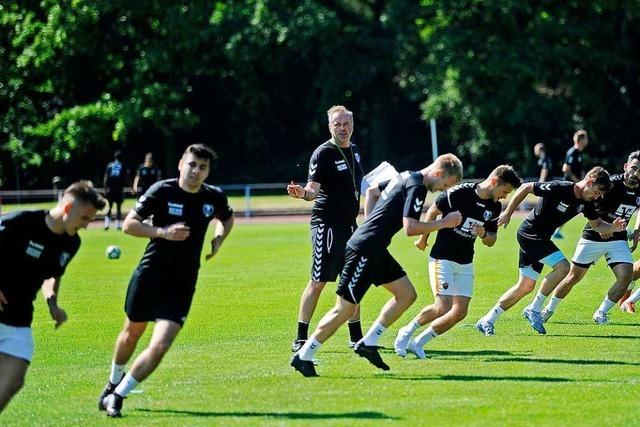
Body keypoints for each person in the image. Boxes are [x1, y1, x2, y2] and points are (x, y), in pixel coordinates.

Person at [290, 154, 463, 377]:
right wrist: (444, 223)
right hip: (365, 249)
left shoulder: (405, 175)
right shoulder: (417, 186)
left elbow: (372, 191)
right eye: (445, 185)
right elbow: (410, 227)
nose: (441, 189)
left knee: (406, 294)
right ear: (439, 173)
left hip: (375, 248)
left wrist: (370, 224)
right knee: (344, 309)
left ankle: (369, 342)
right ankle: (304, 355)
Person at [99, 144, 234, 417]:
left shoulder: (213, 197)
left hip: (182, 283)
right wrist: (163, 232)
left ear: (208, 172)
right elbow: (129, 224)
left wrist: (218, 239)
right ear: (181, 163)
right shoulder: (162, 190)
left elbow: (227, 219)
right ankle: (112, 382)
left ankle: (118, 395)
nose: (196, 171)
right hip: (151, 274)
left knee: (160, 346)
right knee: (132, 333)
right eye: (192, 164)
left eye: (202, 167)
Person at [475, 167, 623, 336]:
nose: (597, 197)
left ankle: (487, 319)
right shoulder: (560, 187)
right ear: (589, 182)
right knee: (563, 268)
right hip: (529, 234)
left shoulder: (587, 203)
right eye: (596, 192)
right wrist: (508, 212)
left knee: (525, 286)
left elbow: (597, 225)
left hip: (542, 239)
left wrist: (613, 227)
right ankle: (534, 309)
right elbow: (526, 187)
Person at [394, 166, 522, 359]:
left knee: (460, 312)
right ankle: (406, 332)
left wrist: (484, 234)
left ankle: (419, 342)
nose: (504, 197)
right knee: (442, 306)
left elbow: (491, 240)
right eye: (504, 192)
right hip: (442, 257)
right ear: (494, 182)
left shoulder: (494, 207)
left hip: (465, 262)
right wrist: (423, 239)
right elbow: (433, 212)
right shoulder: (459, 193)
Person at [0, 181, 105, 413]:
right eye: (85, 218)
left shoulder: (71, 242)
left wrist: (53, 302)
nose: (88, 225)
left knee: (13, 379)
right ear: (67, 209)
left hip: (19, 316)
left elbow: (53, 275)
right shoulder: (20, 223)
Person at [286, 105, 364, 352]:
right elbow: (312, 190)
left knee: (352, 280)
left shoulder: (355, 150)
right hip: (327, 225)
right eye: (337, 124)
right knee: (319, 281)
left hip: (351, 225)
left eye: (346, 124)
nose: (343, 128)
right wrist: (302, 194)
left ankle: (356, 337)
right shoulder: (323, 153)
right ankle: (300, 337)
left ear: (352, 125)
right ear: (330, 127)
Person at [541, 151, 640, 325]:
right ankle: (548, 309)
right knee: (573, 277)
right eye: (634, 168)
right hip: (593, 236)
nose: (636, 173)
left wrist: (637, 230)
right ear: (626, 167)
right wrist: (603, 226)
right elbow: (590, 204)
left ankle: (601, 313)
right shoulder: (611, 185)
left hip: (617, 239)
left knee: (626, 276)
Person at [554, 130, 589, 238]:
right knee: (563, 208)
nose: (587, 141)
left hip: (576, 186)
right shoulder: (572, 152)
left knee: (568, 208)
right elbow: (566, 169)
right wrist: (577, 181)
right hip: (570, 187)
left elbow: (579, 169)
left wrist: (584, 178)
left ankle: (557, 231)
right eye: (586, 138)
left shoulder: (579, 153)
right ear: (581, 140)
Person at [103, 150, 127, 230]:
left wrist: (105, 188)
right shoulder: (122, 166)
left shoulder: (110, 165)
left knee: (109, 207)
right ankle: (118, 225)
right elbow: (125, 177)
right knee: (118, 207)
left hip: (111, 189)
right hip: (119, 189)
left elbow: (106, 178)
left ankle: (107, 224)